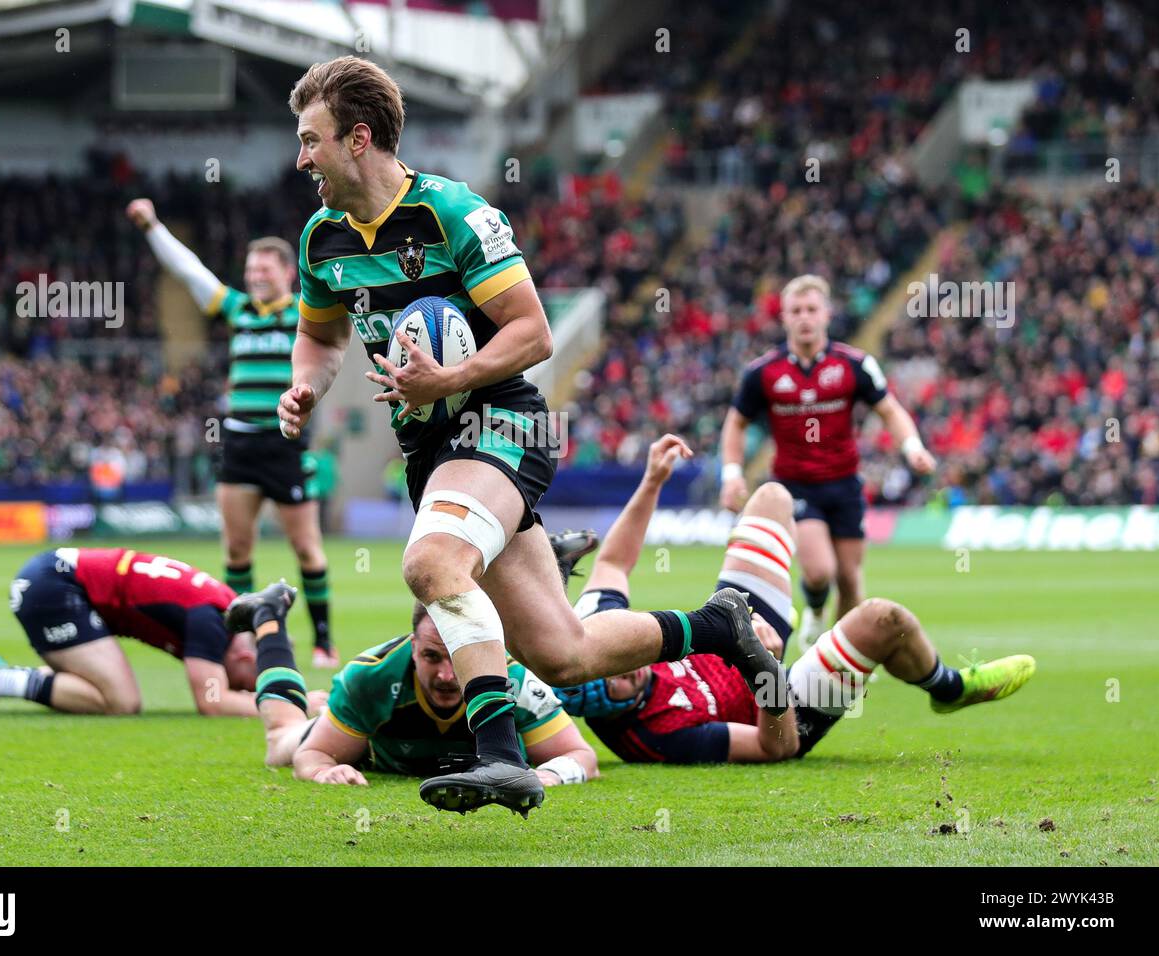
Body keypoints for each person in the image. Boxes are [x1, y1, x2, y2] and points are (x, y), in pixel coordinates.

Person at [276, 56, 786, 816]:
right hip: (430, 450)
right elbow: (319, 337)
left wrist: (449, 380)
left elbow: (534, 332)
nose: (301, 157)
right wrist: (307, 386)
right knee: (561, 652)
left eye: (311, 139)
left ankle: (501, 758)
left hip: (499, 421)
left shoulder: (453, 214)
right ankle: (717, 625)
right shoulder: (322, 240)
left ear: (357, 139)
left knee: (430, 565)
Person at [555, 434, 1036, 763]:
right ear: (607, 709)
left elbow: (613, 564)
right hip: (782, 705)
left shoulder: (599, 634)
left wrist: (653, 480)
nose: (630, 666)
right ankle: (949, 689)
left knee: (772, 498)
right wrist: (762, 664)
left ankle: (813, 602)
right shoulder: (656, 736)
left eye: (614, 663)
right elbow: (773, 747)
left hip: (735, 633)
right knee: (884, 620)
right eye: (619, 681)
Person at [126, 199, 337, 668]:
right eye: (250, 269)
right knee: (237, 549)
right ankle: (242, 640)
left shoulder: (306, 313)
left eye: (264, 268)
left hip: (285, 444)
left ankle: (323, 640)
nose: (256, 276)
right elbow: (190, 271)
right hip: (239, 444)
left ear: (287, 271)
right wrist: (154, 227)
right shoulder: (239, 310)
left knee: (306, 547)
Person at [229, 585, 598, 808]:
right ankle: (268, 615)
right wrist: (327, 769)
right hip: (363, 744)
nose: (447, 676)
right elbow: (310, 757)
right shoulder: (372, 676)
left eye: (456, 658)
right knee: (281, 740)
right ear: (413, 644)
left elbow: (582, 756)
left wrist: (551, 774)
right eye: (431, 657)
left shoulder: (513, 677)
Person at [719, 274, 937, 649]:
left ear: (827, 315)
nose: (804, 317)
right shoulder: (763, 372)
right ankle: (817, 610)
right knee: (820, 572)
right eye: (796, 311)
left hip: (845, 484)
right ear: (784, 318)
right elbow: (735, 423)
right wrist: (731, 474)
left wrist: (912, 446)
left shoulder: (854, 364)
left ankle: (841, 659)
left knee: (851, 580)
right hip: (796, 486)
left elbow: (889, 410)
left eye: (811, 309)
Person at [0, 547, 262, 716]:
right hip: (56, 586)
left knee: (96, 685)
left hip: (53, 577)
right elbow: (214, 703)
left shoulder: (219, 609)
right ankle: (0, 681)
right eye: (249, 683)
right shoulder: (213, 621)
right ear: (246, 655)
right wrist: (284, 703)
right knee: (120, 702)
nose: (242, 688)